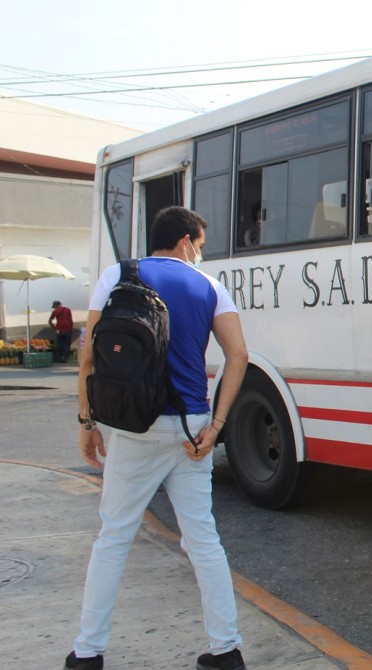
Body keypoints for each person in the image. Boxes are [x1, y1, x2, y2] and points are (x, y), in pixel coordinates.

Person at [67, 206, 249, 670]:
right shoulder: (209, 287)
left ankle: (88, 653)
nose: (200, 255)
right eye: (201, 246)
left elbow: (89, 354)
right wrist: (218, 426)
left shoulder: (118, 275)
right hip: (192, 427)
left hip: (134, 424)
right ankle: (226, 650)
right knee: (203, 538)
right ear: (187, 241)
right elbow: (238, 356)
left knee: (114, 537)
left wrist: (87, 421)